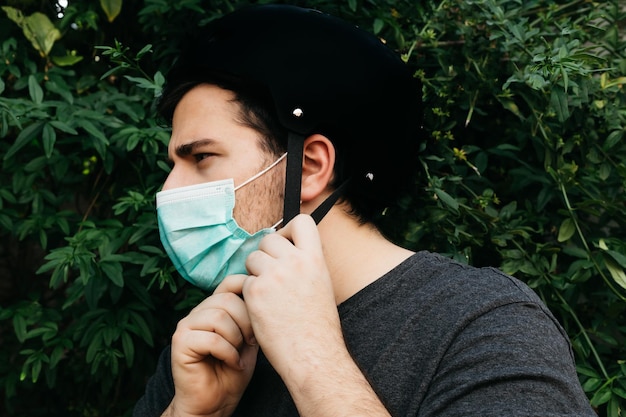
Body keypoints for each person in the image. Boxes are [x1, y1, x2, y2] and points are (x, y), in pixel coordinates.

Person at [134, 4, 596, 417]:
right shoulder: (213, 343)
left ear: (311, 166)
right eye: (173, 164)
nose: (170, 188)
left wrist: (313, 358)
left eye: (201, 158)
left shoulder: (482, 325)